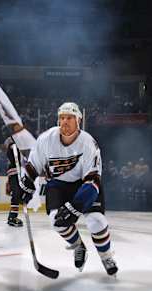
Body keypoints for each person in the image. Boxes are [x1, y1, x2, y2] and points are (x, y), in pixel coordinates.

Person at [19, 102, 118, 276]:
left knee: (96, 221)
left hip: (84, 185)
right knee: (56, 221)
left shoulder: (88, 143)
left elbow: (93, 180)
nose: (65, 121)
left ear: (78, 120)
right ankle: (79, 246)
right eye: (62, 118)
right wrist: (26, 183)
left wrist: (75, 207)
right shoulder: (46, 139)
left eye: (70, 118)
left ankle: (106, 256)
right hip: (58, 185)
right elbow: (33, 165)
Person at [4, 137, 23, 227]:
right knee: (16, 194)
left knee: (18, 194)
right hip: (15, 172)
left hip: (17, 172)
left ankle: (12, 217)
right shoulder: (12, 146)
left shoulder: (17, 146)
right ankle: (12, 217)